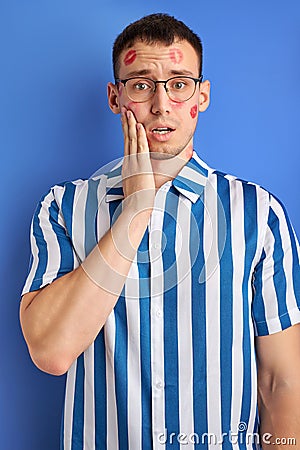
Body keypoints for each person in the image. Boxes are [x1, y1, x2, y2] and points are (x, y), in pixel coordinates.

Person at [20, 13, 300, 450]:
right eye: (141, 84)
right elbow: (51, 352)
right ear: (115, 98)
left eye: (179, 82)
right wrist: (135, 212)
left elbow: (280, 381)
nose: (162, 105)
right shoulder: (63, 207)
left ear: (202, 95)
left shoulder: (257, 213)